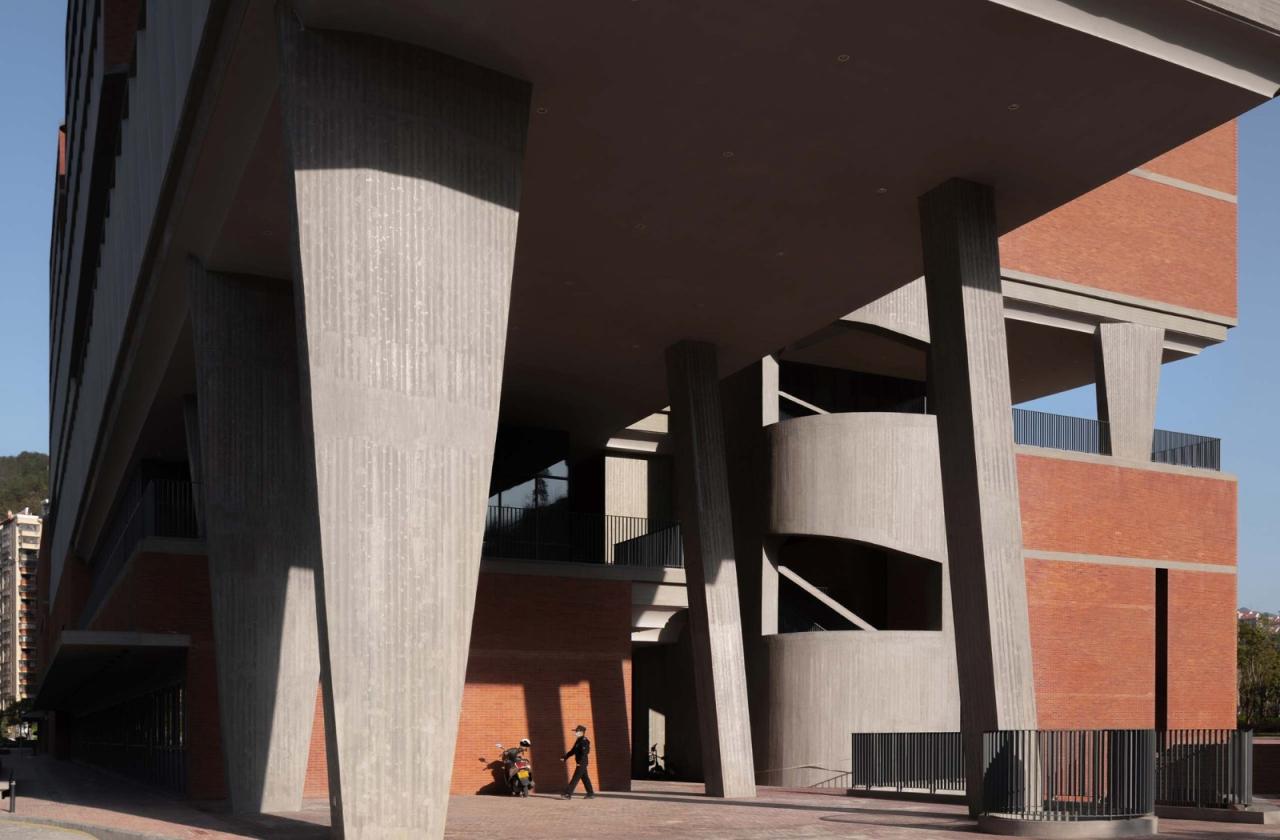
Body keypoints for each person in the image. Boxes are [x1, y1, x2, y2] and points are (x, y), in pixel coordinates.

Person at [559, 724, 594, 799]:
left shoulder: (584, 741)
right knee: (585, 778)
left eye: (577, 731)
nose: (576, 733)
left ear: (582, 732)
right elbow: (573, 751)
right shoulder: (578, 741)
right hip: (580, 763)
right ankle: (590, 793)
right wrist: (565, 757)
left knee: (575, 778)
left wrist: (580, 763)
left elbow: (585, 753)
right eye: (576, 731)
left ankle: (567, 794)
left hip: (582, 763)